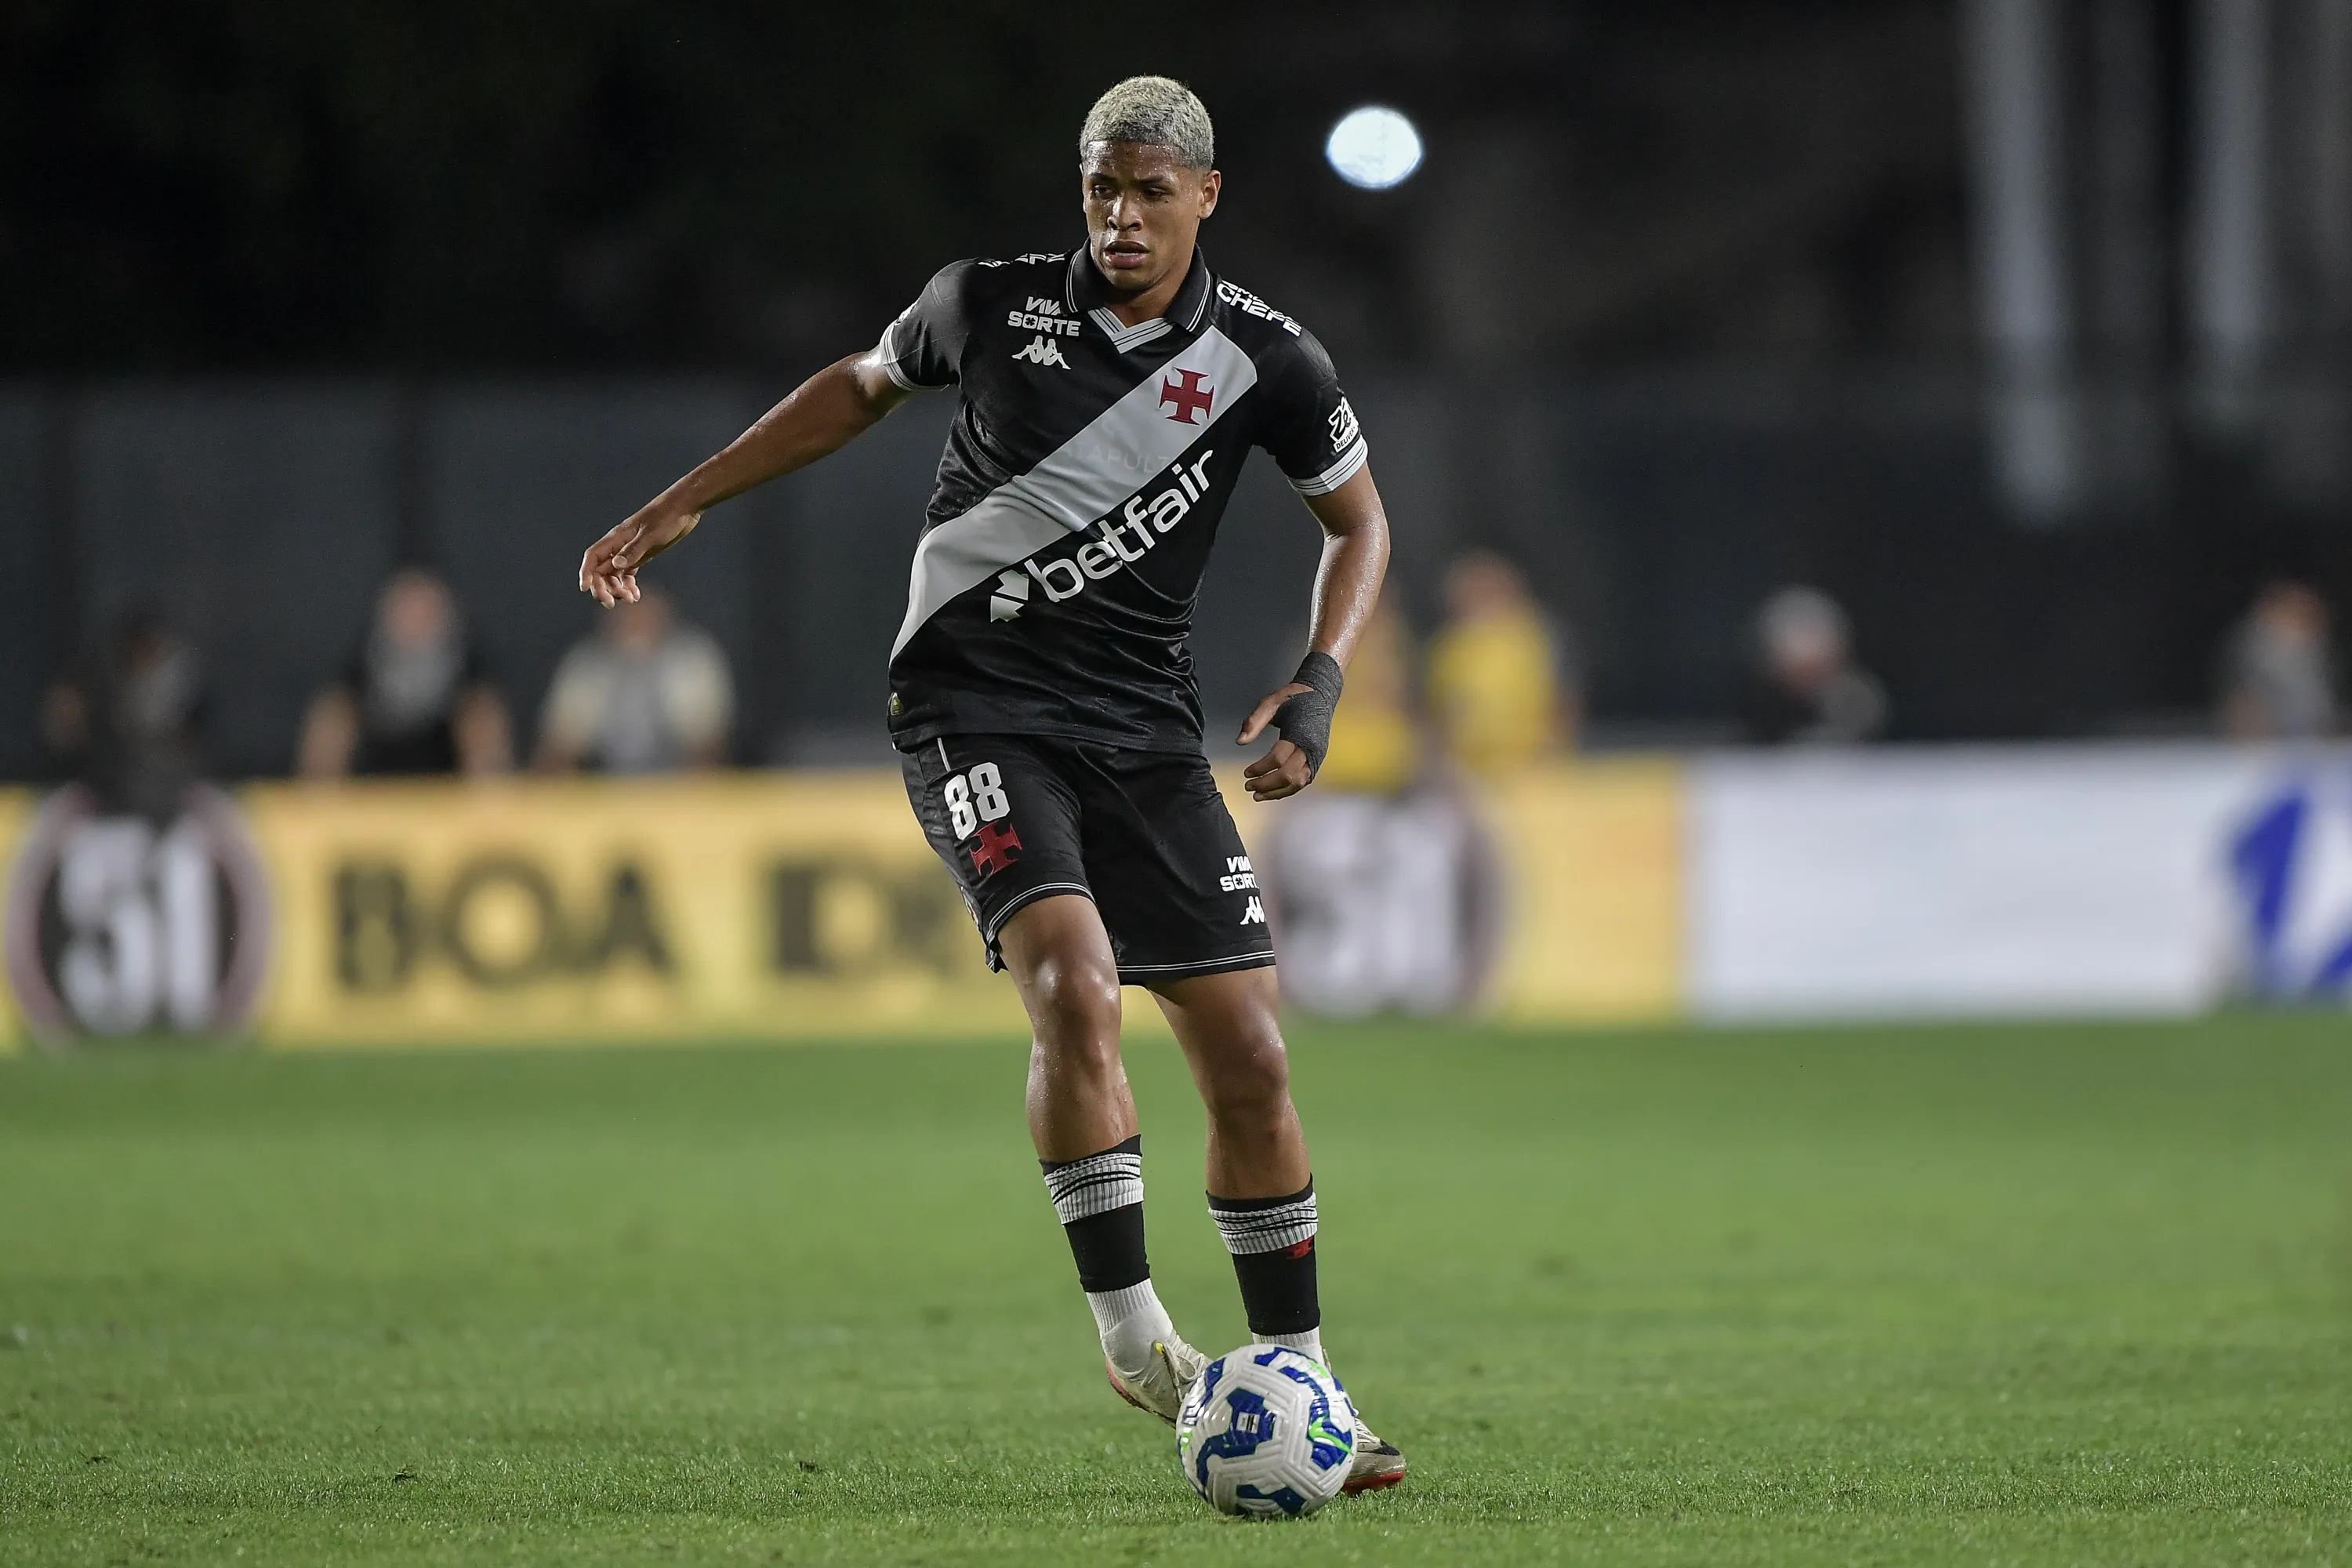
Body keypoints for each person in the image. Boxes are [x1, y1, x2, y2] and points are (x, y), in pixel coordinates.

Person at [574, 78, 1404, 1491]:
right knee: (1075, 987)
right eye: (1101, 188)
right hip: (971, 705)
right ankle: (1138, 1340)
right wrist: (690, 496)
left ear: (1207, 196)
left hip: (1144, 730)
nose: (1122, 215)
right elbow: (856, 386)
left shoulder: (1270, 360)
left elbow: (1360, 523)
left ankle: (1303, 1386)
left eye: (1150, 191)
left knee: (1254, 1060)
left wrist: (1320, 682)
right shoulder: (988, 305)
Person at [297, 567, 512, 779]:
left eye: (425, 611)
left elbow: (485, 718)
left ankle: (490, 805)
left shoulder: (467, 659)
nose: (415, 619)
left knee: (482, 713)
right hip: (376, 761)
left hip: (444, 765)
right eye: (408, 609)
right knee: (333, 714)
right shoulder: (365, 657)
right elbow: (336, 711)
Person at [535, 586, 734, 773]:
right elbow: (560, 744)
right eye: (627, 612)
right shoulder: (586, 666)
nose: (636, 620)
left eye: (644, 613)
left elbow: (710, 741)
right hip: (601, 788)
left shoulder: (693, 660)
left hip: (679, 786)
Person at [41, 608, 206, 820]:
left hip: (173, 804)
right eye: (138, 648)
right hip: (104, 803)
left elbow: (170, 738)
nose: (143, 654)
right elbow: (62, 730)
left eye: (151, 648)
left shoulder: (181, 689)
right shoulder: (101, 686)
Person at [1425, 550, 1579, 775]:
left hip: (1532, 768)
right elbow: (1435, 713)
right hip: (1470, 775)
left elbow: (1565, 700)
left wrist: (1553, 754)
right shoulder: (1447, 648)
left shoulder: (1536, 637)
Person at [1744, 584, 1889, 746]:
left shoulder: (1859, 704)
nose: (1806, 680)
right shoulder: (1752, 711)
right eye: (1797, 672)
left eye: (1815, 670)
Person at [2220, 581, 2338, 740]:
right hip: (2265, 749)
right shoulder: (2252, 660)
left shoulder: (2318, 661)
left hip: (2309, 746)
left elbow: (2324, 717)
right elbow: (2243, 717)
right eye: (2296, 613)